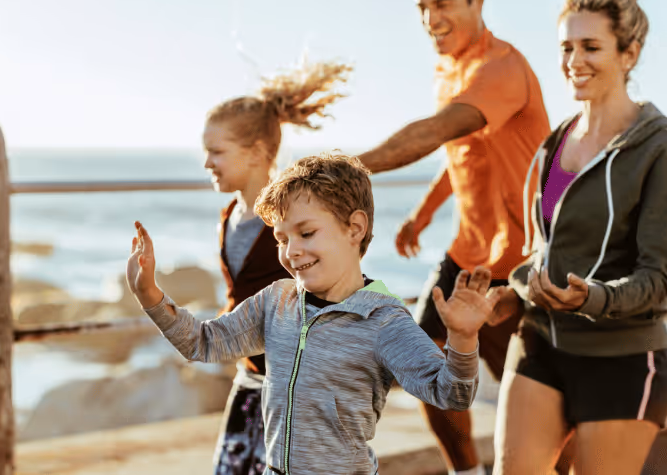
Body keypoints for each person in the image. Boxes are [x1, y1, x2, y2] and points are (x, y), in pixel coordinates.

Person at [127, 152, 499, 475]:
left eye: (306, 233)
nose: (291, 251)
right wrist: (150, 295)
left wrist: (463, 339)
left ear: (355, 228)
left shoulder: (383, 320)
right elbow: (203, 343)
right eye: (282, 239)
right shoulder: (276, 301)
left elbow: (451, 395)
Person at [355, 0, 552, 475]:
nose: (430, 19)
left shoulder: (502, 68)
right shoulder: (449, 69)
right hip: (467, 250)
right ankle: (466, 471)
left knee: (534, 396)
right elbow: (463, 152)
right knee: (425, 365)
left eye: (443, 3)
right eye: (422, 6)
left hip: (516, 259)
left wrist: (346, 166)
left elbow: (437, 131)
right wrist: (422, 214)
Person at [489, 0, 667, 475]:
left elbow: (656, 279)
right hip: (541, 341)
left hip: (622, 360)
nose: (574, 61)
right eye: (566, 47)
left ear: (629, 54)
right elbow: (543, 251)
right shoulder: (555, 142)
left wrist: (592, 298)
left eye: (591, 47)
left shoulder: (659, 145)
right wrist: (510, 294)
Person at [201, 59, 352, 475]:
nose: (207, 162)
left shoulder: (292, 220)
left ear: (256, 153)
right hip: (250, 379)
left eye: (217, 152)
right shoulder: (229, 216)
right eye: (206, 151)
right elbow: (241, 294)